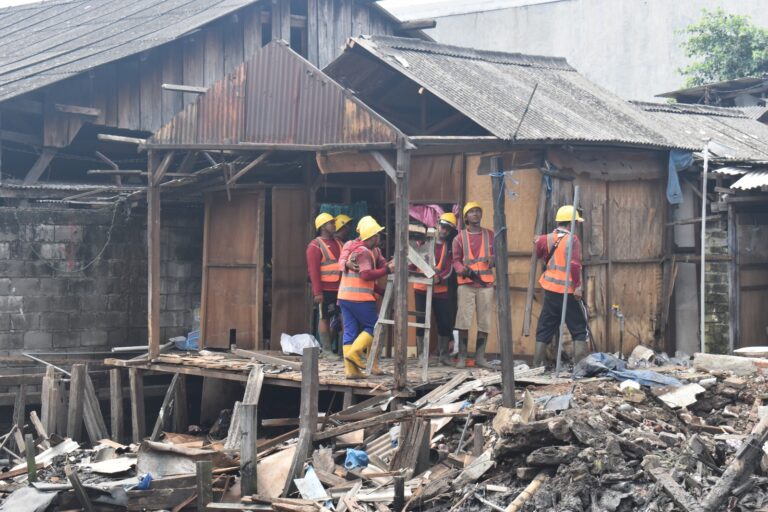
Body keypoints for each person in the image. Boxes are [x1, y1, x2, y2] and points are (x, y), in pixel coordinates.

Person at [338, 217, 394, 378]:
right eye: (378, 235)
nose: (380, 238)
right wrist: (388, 271)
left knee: (350, 332)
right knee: (373, 327)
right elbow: (366, 275)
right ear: (373, 236)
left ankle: (351, 371)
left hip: (344, 297)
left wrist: (381, 289)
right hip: (360, 298)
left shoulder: (366, 250)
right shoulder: (363, 252)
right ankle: (355, 353)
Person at [532, 205, 587, 368]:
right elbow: (575, 265)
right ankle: (579, 368)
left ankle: (536, 365)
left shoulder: (545, 239)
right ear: (571, 223)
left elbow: (540, 254)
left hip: (550, 289)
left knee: (545, 326)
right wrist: (577, 287)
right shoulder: (573, 239)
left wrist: (537, 241)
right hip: (568, 290)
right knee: (578, 327)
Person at [452, 202, 495, 368]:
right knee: (463, 320)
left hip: (485, 285)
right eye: (472, 212)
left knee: (484, 321)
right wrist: (462, 269)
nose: (476, 214)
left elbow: (497, 255)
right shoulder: (459, 238)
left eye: (478, 211)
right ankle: (462, 356)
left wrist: (493, 260)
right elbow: (455, 260)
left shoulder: (490, 235)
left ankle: (480, 357)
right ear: (466, 217)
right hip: (466, 284)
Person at [413, 212, 457, 366]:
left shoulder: (449, 247)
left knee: (444, 321)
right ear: (437, 224)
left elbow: (450, 268)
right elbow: (413, 262)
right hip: (421, 287)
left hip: (440, 290)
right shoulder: (422, 242)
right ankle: (421, 356)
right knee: (420, 321)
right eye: (443, 227)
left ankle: (443, 355)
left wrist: (440, 278)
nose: (444, 231)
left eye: (448, 229)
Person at [306, 213, 343, 357]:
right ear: (322, 226)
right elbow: (313, 270)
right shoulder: (315, 245)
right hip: (325, 290)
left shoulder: (339, 243)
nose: (334, 225)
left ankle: (344, 351)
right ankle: (327, 351)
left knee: (343, 318)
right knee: (324, 318)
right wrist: (317, 292)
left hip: (341, 289)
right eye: (331, 223)